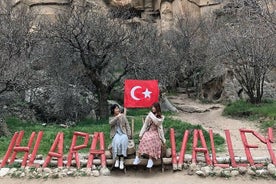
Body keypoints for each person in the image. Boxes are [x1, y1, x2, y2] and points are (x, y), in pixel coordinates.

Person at [133, 102, 166, 168]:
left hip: (156, 133)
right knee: (144, 138)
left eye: (154, 107)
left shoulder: (161, 117)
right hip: (149, 131)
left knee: (151, 139)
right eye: (152, 107)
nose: (153, 108)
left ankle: (150, 160)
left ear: (157, 108)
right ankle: (138, 157)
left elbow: (157, 122)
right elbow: (145, 125)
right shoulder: (149, 115)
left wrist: (151, 115)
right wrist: (141, 134)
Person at [109, 104, 131, 170]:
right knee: (117, 142)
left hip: (123, 133)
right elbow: (110, 123)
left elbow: (127, 125)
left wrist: (129, 134)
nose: (117, 110)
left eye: (118, 108)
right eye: (116, 109)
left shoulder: (123, 116)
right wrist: (117, 118)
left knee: (123, 142)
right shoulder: (112, 117)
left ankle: (121, 159)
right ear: (113, 110)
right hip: (116, 134)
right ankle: (117, 159)